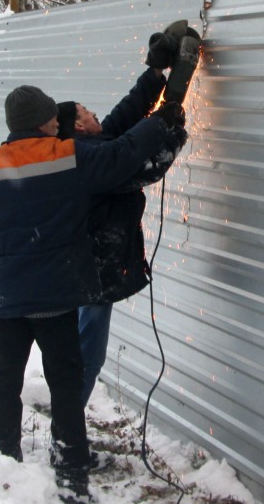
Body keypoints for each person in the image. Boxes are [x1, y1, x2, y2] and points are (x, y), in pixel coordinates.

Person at [0, 80, 184, 504]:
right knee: (64, 384)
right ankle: (71, 474)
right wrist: (164, 118)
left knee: (4, 380)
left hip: (3, 296)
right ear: (47, 121)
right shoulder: (62, 156)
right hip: (51, 295)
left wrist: (6, 255)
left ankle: (3, 458)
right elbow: (122, 155)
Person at [55, 69, 188, 413]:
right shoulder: (93, 163)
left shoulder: (85, 148)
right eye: (87, 112)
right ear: (79, 126)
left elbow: (122, 120)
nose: (95, 113)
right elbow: (144, 165)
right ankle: (66, 438)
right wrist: (170, 128)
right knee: (88, 356)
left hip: (82, 269)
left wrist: (155, 74)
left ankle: (65, 426)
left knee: (81, 351)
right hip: (93, 274)